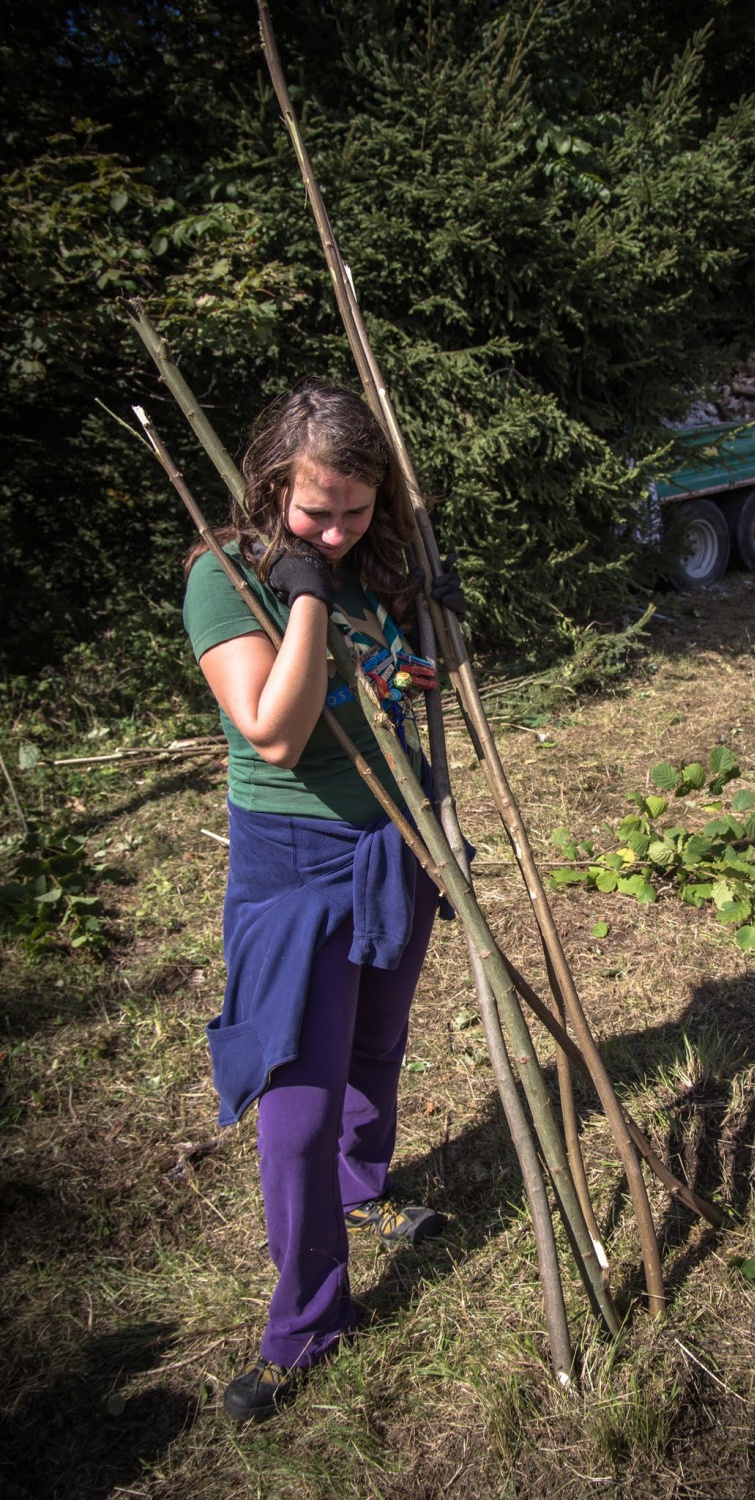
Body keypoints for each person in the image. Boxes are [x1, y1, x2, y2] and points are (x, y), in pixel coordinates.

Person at [182, 380, 465, 1423]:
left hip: (396, 838)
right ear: (270, 485)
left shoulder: (367, 571)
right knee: (293, 1102)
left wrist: (430, 628)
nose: (336, 530)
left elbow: (403, 685)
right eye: (316, 510)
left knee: (372, 1049)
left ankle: (366, 1187)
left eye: (355, 510)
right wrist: (302, 590)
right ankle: (308, 1318)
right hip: (294, 859)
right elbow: (273, 730)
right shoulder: (230, 581)